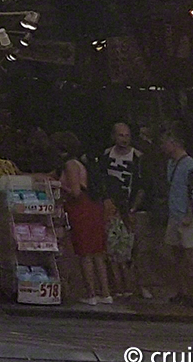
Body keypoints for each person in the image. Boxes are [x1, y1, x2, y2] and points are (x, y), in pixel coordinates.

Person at [94, 122, 150, 297]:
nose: (124, 139)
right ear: (113, 136)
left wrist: (133, 208)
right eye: (120, 135)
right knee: (111, 248)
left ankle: (138, 285)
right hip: (111, 208)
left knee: (135, 249)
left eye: (127, 136)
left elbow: (143, 185)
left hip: (130, 207)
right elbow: (101, 179)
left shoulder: (138, 157)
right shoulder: (106, 155)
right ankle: (116, 285)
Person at [161, 132, 193, 307]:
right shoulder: (171, 164)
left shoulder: (190, 164)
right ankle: (183, 291)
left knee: (192, 256)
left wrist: (190, 214)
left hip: (186, 216)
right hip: (174, 214)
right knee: (176, 256)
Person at [62, 157, 112, 304]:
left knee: (85, 253)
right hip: (94, 208)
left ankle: (91, 294)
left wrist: (60, 187)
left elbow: (75, 192)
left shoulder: (71, 164)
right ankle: (105, 293)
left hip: (81, 210)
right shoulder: (85, 165)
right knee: (97, 253)